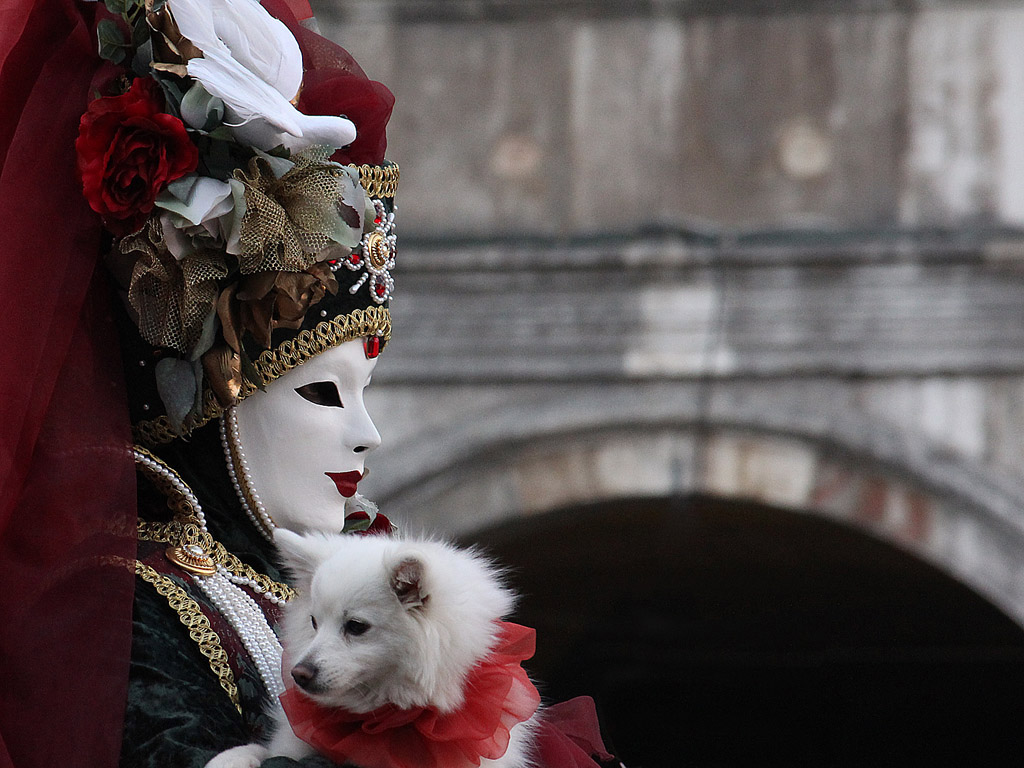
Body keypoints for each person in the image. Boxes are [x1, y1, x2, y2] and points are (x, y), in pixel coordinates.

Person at [0, 1, 618, 766]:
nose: (368, 434)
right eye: (322, 392)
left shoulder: (321, 576)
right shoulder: (123, 605)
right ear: (215, 404)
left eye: (365, 393)